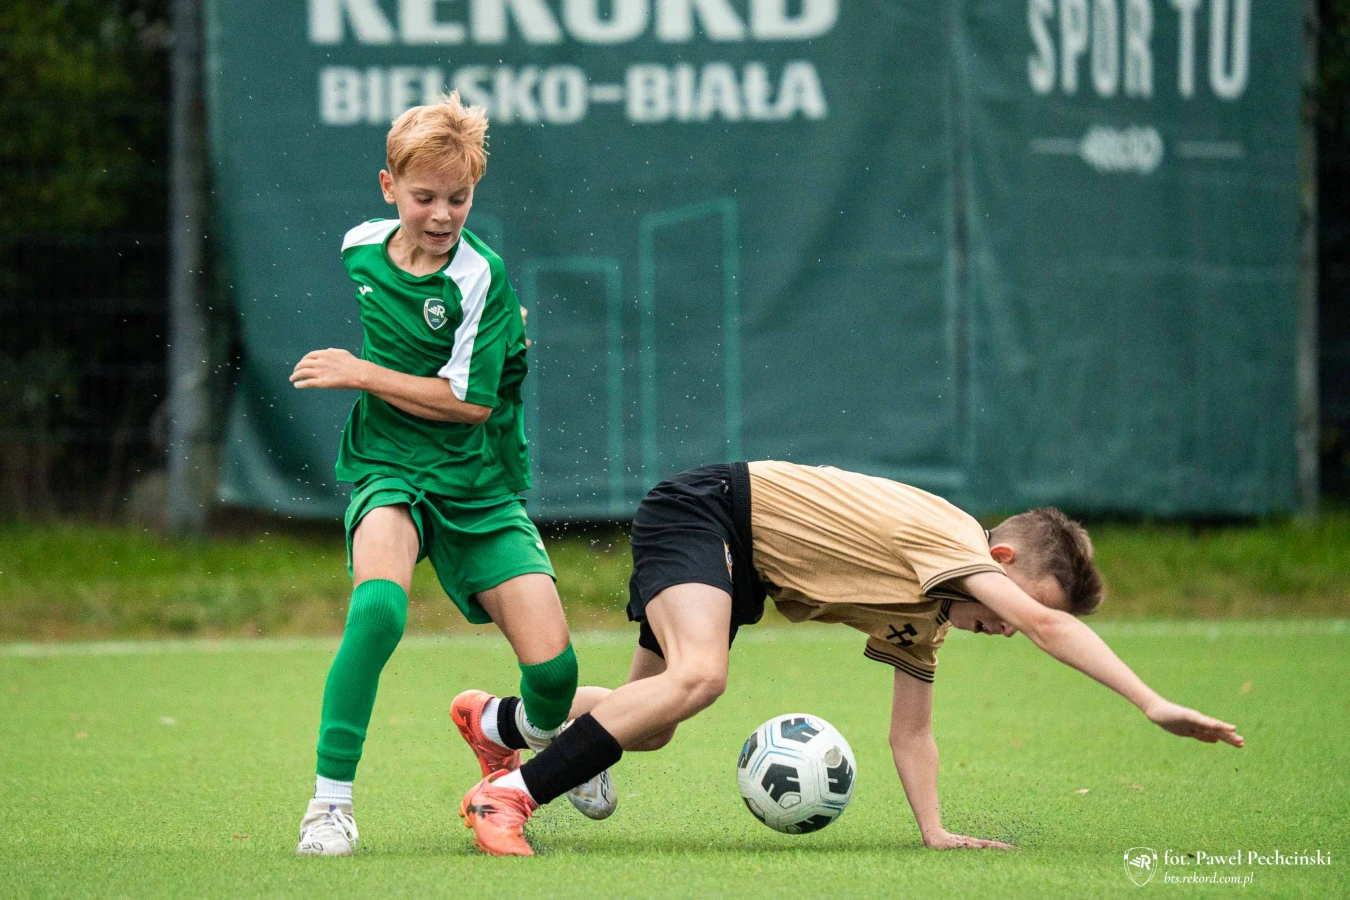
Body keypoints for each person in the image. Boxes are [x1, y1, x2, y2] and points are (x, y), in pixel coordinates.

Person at [454, 461, 1243, 856]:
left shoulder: (931, 614)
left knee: (651, 723)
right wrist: (1150, 701)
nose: (1009, 628)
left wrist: (934, 830)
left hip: (742, 563)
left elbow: (912, 732)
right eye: (1019, 604)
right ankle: (509, 798)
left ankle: (497, 722)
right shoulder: (951, 542)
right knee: (701, 677)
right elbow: (1041, 625)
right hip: (709, 513)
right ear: (997, 558)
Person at [288, 92, 578, 856]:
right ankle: (330, 807)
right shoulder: (360, 248)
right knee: (378, 612)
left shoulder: (480, 277)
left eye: (460, 197)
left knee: (556, 679)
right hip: (390, 466)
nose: (443, 214)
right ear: (389, 187)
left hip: (476, 481)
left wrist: (361, 371)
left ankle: (500, 727)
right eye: (424, 197)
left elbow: (469, 404)